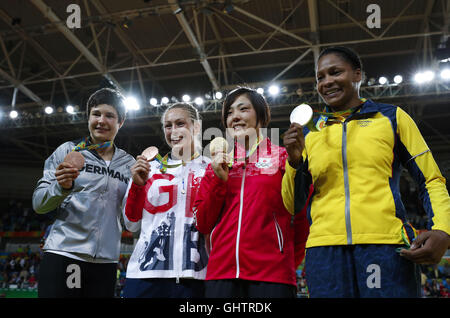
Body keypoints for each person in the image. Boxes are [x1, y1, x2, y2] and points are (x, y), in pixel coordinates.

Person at [282, 46, 450, 297]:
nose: (327, 82)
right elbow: (292, 205)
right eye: (320, 77)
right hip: (324, 252)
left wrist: (443, 229)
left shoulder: (392, 118)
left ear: (357, 75)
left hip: (385, 247)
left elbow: (430, 179)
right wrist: (294, 163)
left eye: (335, 72)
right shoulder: (308, 133)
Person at [193, 87, 309, 298]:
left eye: (243, 109)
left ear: (261, 117)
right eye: (229, 113)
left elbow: (302, 217)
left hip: (272, 276)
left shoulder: (284, 158)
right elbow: (203, 222)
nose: (234, 117)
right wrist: (218, 180)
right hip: (221, 274)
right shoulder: (217, 165)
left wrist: (286, 261)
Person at [32, 88, 135, 298]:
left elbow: (130, 220)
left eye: (109, 115)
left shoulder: (129, 164)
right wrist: (62, 187)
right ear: (88, 118)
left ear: (120, 122)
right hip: (67, 254)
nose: (101, 121)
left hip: (106, 262)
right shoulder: (67, 152)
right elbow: (39, 203)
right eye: (96, 114)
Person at [121, 103, 210, 298]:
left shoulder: (211, 169)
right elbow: (131, 225)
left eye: (180, 124)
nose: (173, 131)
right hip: (146, 274)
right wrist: (137, 186)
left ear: (196, 127)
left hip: (197, 275)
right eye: (168, 126)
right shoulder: (148, 169)